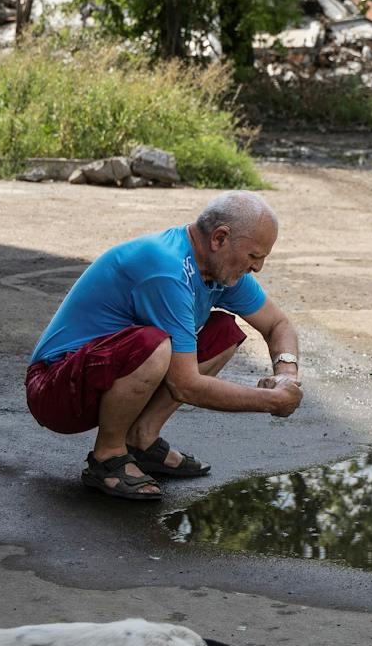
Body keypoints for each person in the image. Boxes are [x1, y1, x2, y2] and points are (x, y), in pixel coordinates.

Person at [25, 191, 302, 499]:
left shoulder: (216, 269)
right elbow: (186, 385)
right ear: (220, 238)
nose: (258, 268)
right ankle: (108, 457)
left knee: (224, 332)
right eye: (254, 257)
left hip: (96, 375)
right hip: (55, 389)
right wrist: (271, 400)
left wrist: (286, 374)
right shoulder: (167, 269)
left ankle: (142, 439)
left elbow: (278, 324)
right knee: (153, 346)